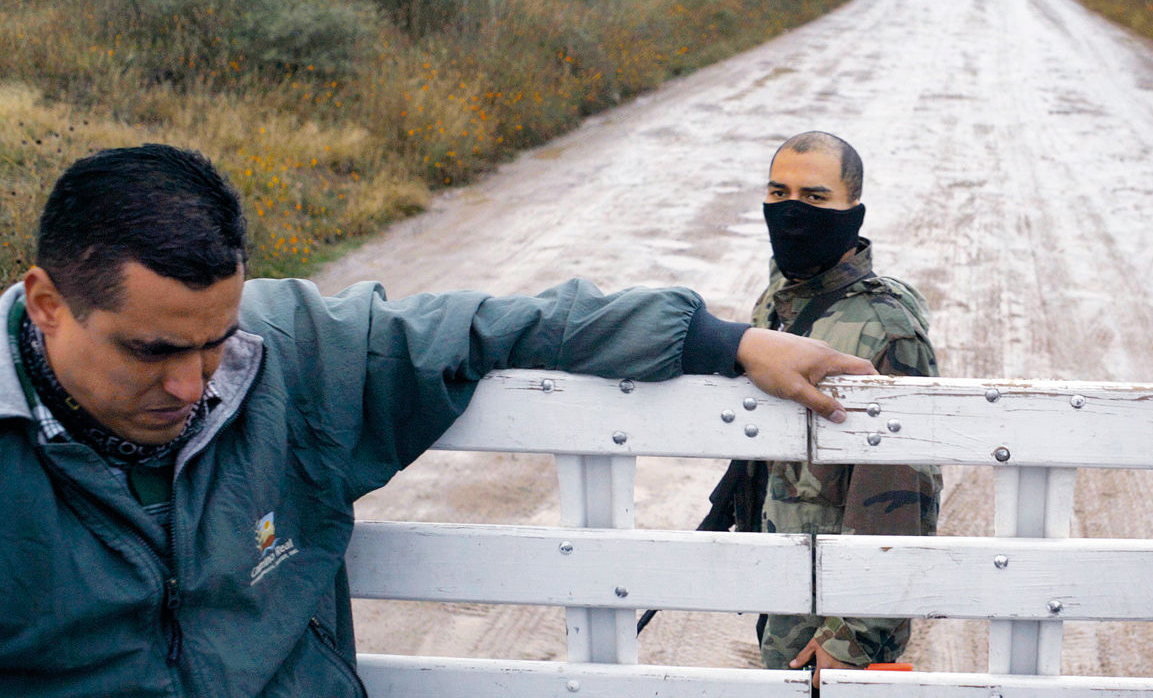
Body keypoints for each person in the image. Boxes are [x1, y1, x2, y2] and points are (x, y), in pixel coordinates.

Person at [0, 144, 874, 697]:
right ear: (46, 302)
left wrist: (724, 342)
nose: (193, 385)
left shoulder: (286, 354)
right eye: (151, 351)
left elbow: (488, 325)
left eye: (215, 342)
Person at [752, 131, 942, 686]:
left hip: (836, 616)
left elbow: (905, 495)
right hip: (784, 584)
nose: (792, 211)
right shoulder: (781, 296)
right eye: (778, 192)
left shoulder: (885, 329)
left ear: (852, 212)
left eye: (814, 198)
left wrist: (852, 636)